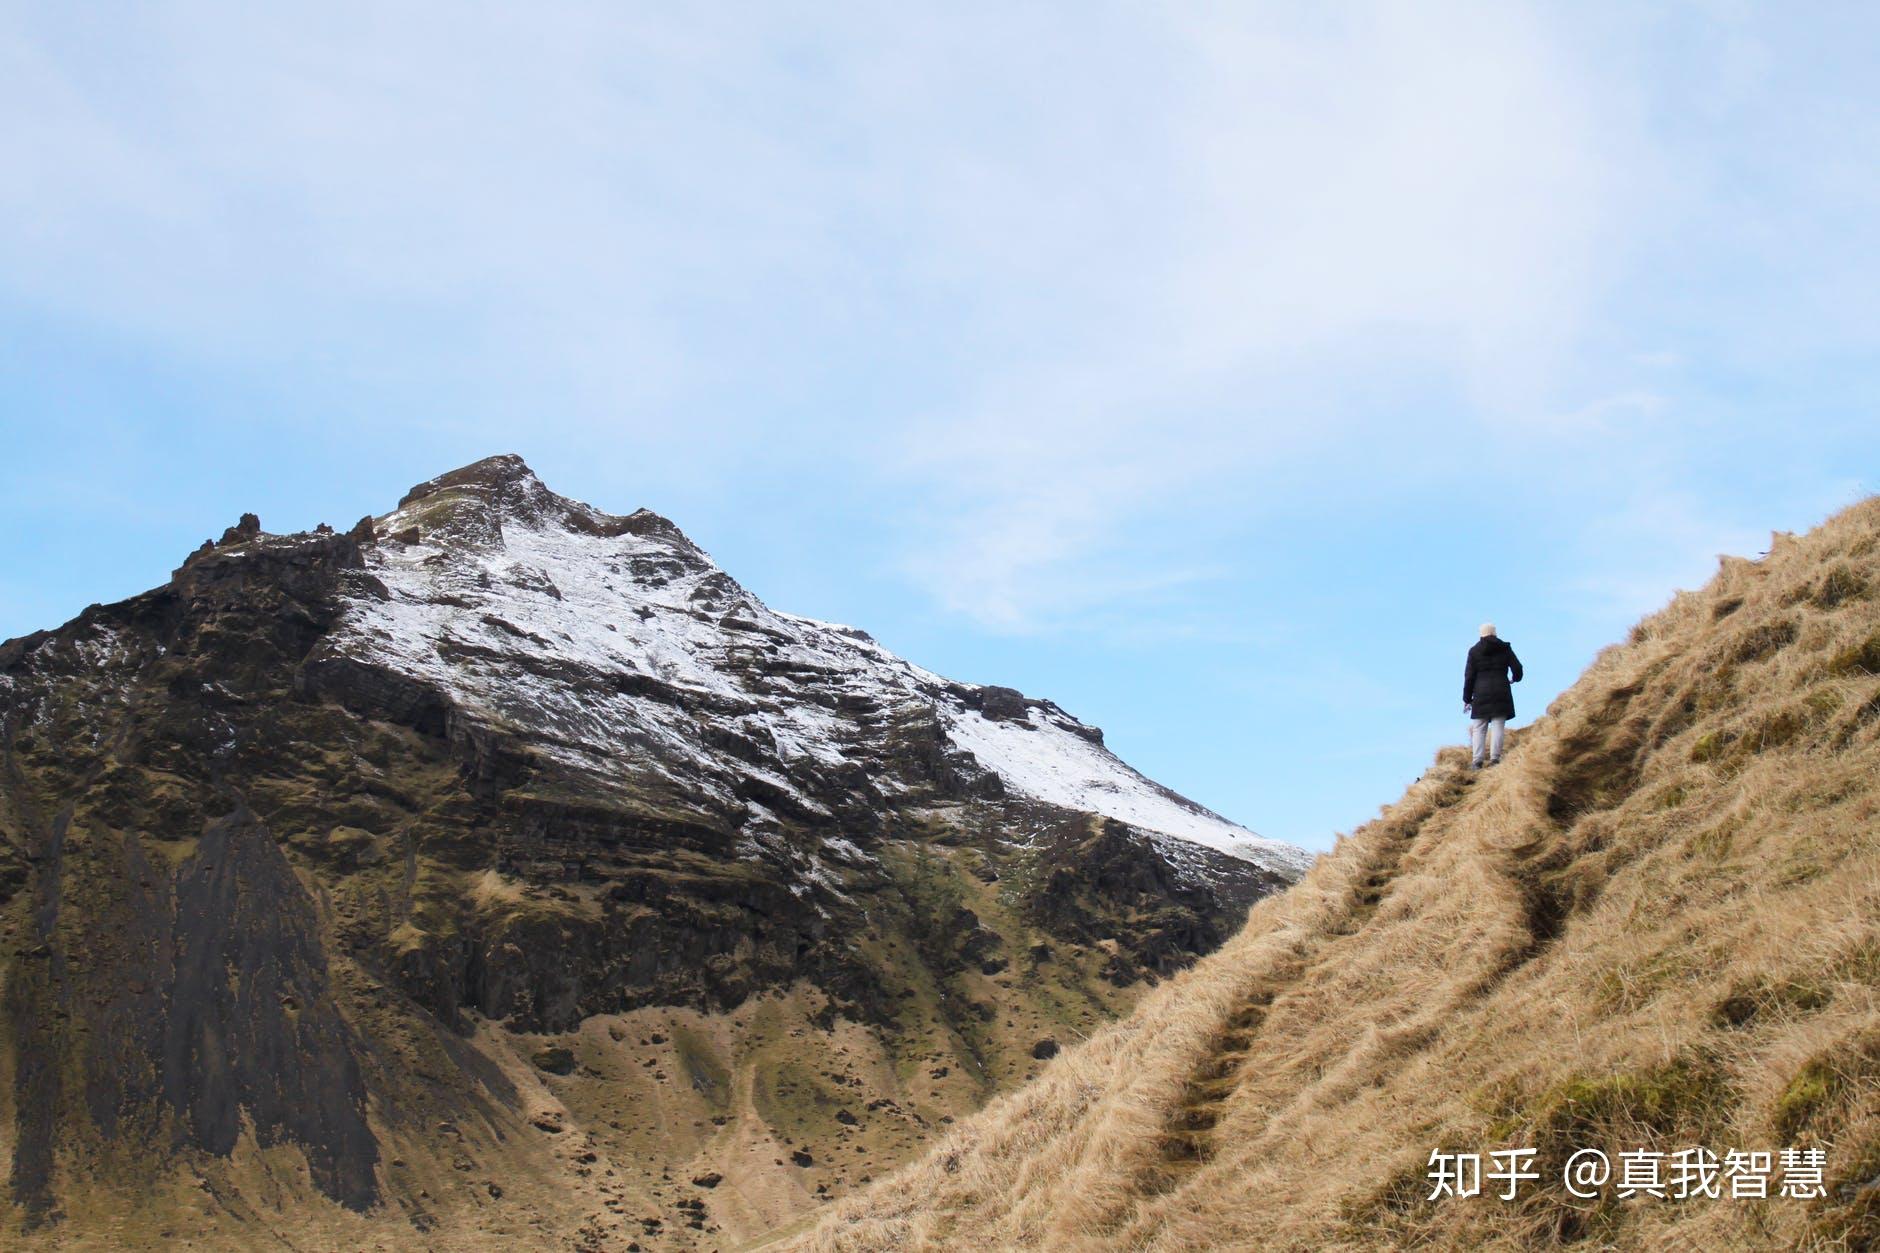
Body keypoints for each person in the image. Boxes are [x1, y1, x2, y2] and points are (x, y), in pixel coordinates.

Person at [1463, 622, 1522, 768]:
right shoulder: (1505, 648)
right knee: (1498, 725)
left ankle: (1477, 761)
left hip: (1480, 693)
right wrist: (1515, 678)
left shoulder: (1474, 651)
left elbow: (1469, 677)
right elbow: (1517, 668)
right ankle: (1495, 759)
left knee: (1479, 727)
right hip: (1501, 690)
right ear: (1495, 632)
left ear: (1481, 633)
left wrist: (1467, 698)